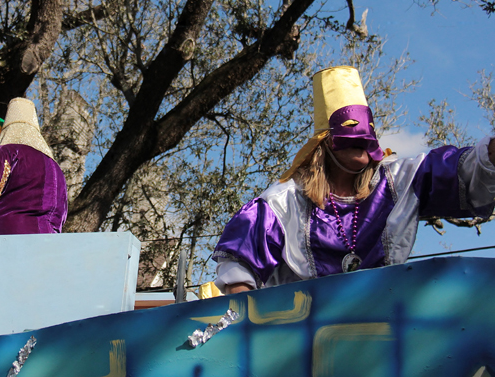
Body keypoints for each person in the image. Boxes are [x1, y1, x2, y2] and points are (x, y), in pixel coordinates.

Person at [211, 66, 495, 294]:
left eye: (367, 129)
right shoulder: (283, 202)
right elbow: (239, 270)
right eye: (349, 127)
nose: (361, 137)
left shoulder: (399, 181)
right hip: (302, 338)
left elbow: (469, 172)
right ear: (324, 142)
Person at [0, 97, 68, 235]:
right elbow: (61, 215)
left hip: (7, 238)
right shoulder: (57, 170)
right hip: (48, 243)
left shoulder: (9, 152)